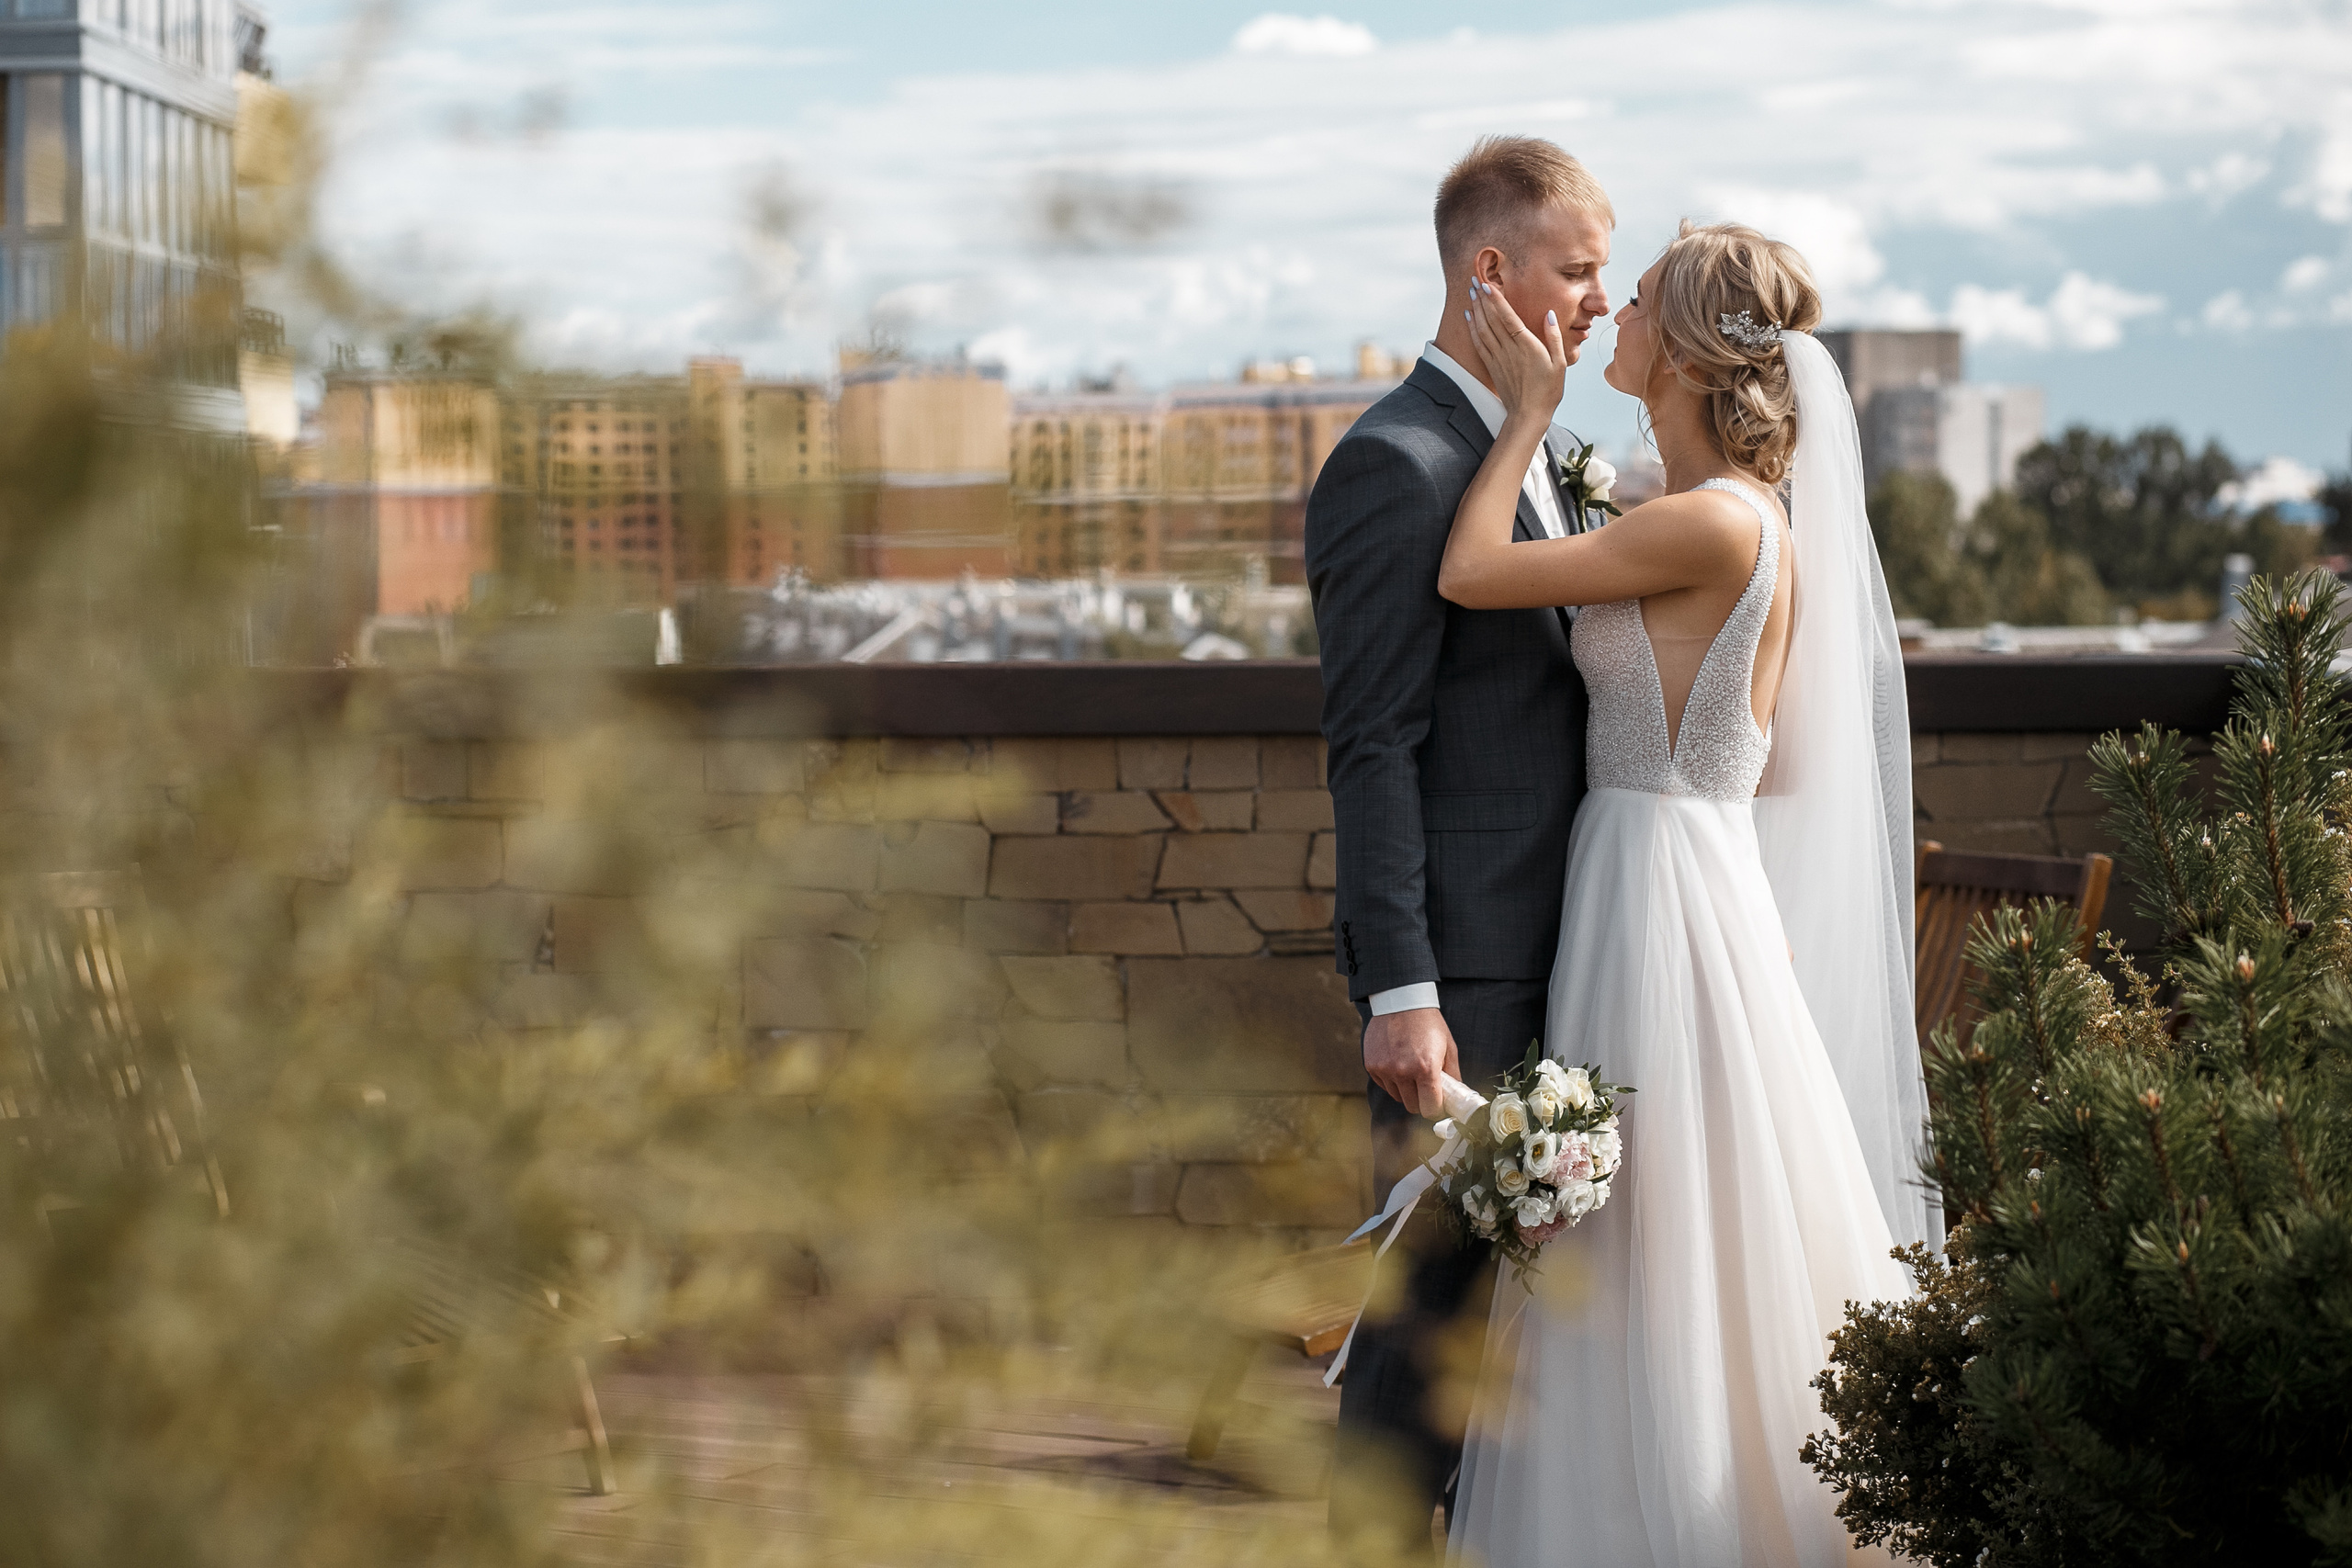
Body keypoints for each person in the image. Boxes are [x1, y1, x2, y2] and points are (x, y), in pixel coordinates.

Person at [1437, 221, 1938, 1566]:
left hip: (1653, 886)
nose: (1614, 313)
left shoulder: (1709, 522)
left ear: (1695, 350)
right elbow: (1785, 767)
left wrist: (1527, 413)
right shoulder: (1736, 516)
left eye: (1642, 299)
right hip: (1687, 871)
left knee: (1656, 1225)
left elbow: (1470, 573)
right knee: (1684, 1212)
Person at [1303, 134, 1613, 1554]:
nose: (1597, 301)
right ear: (1492, 270)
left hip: (1566, 946)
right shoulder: (1396, 462)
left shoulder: (1533, 452)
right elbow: (1372, 742)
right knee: (1423, 1336)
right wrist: (1403, 990)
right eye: (1579, 270)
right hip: (1468, 976)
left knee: (1502, 1335)